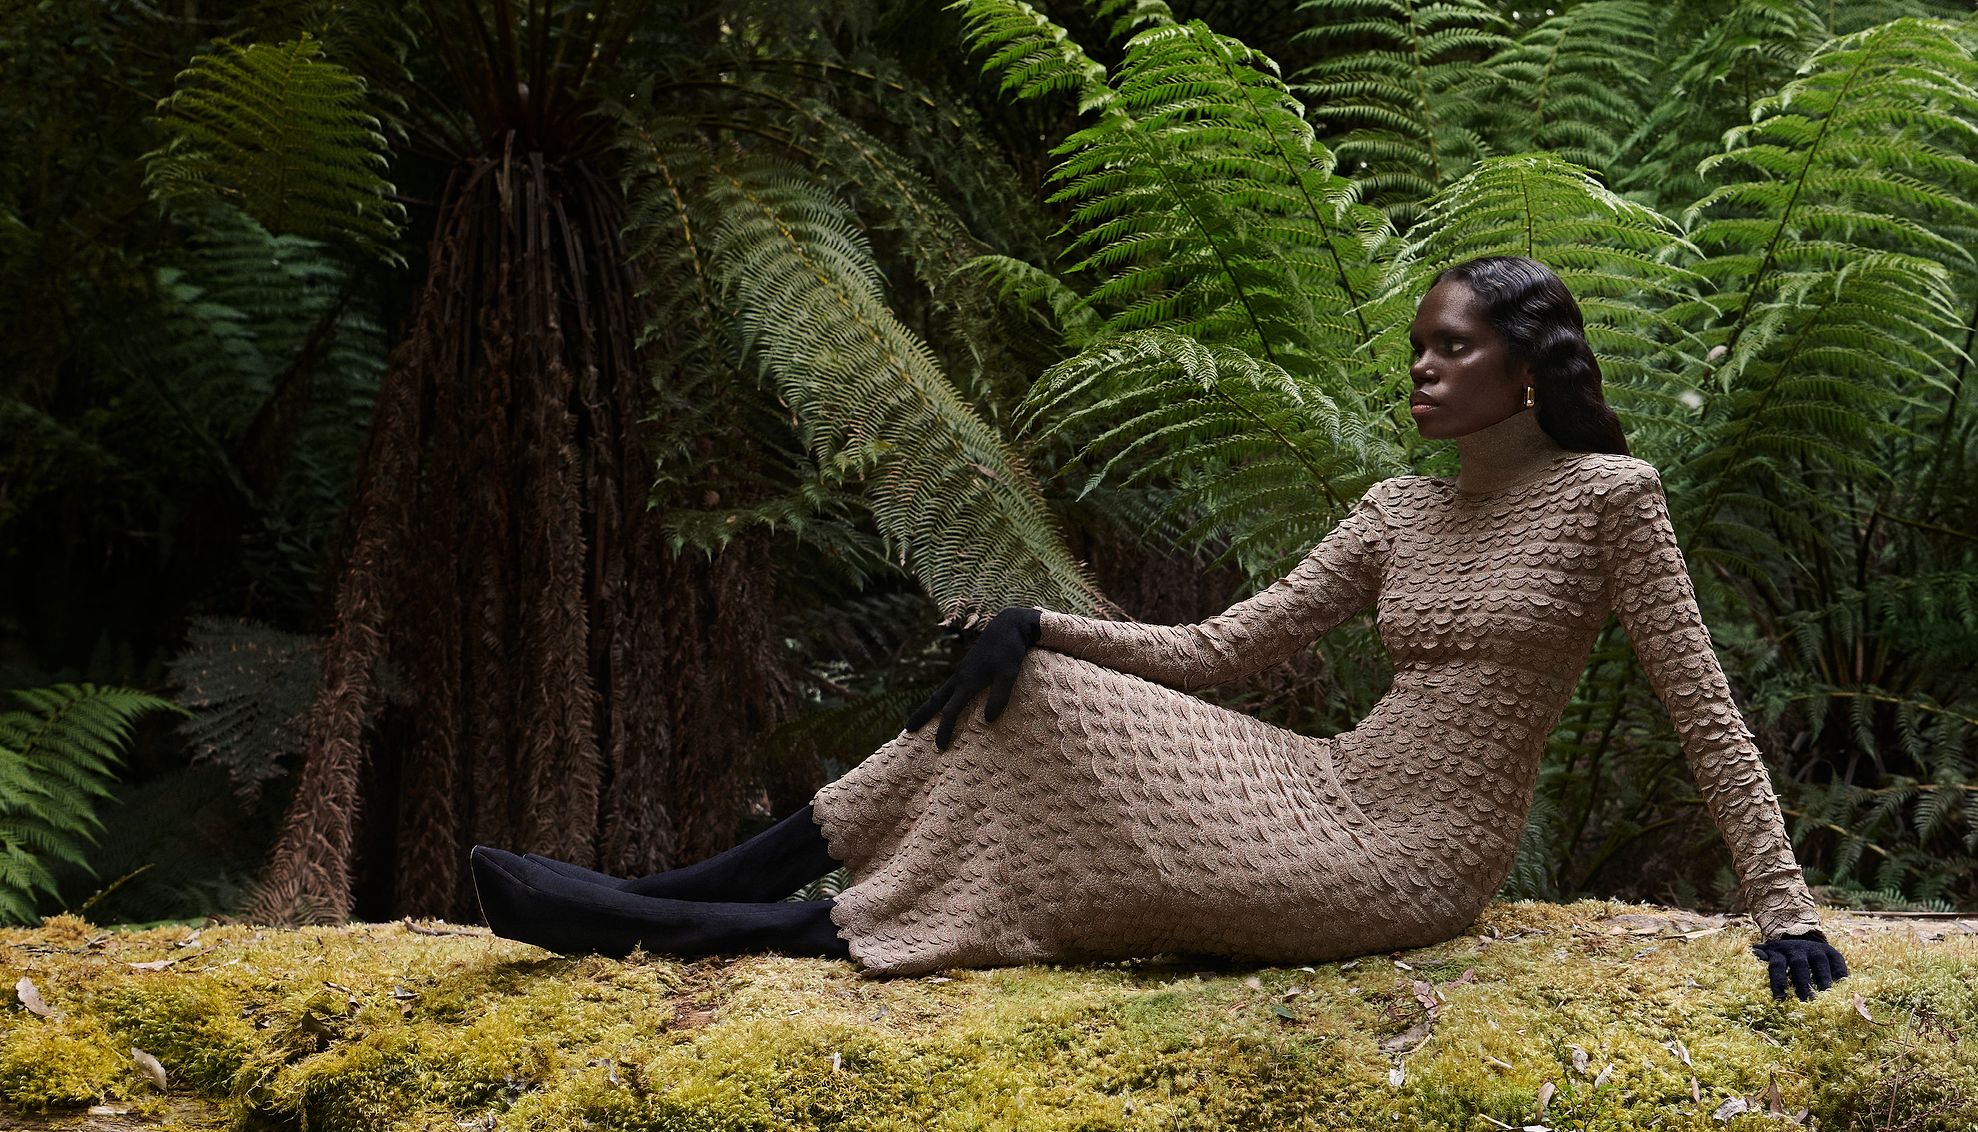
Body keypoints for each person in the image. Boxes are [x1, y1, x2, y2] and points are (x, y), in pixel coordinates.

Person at [469, 256, 1849, 1001]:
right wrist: (1034, 621)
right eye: (1418, 346)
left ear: (1531, 366)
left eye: (1455, 348)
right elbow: (1221, 650)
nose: (1425, 369)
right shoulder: (1398, 509)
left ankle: (692, 931)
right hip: (1328, 782)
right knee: (1026, 693)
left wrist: (1780, 903)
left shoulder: (1614, 498)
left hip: (1416, 858)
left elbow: (1700, 700)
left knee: (1044, 759)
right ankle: (669, 891)